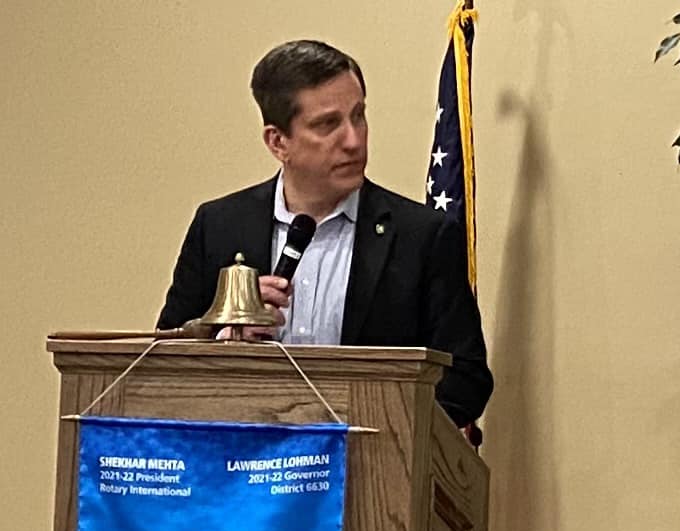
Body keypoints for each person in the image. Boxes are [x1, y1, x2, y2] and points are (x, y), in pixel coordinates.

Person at [157, 39, 492, 428]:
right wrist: (223, 336)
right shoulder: (218, 226)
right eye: (328, 124)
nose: (354, 140)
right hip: (239, 458)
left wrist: (378, 422)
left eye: (358, 116)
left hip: (367, 457)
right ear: (278, 142)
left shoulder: (423, 237)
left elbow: (466, 382)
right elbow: (160, 363)